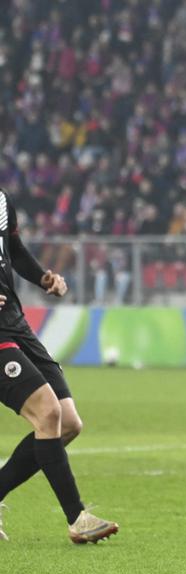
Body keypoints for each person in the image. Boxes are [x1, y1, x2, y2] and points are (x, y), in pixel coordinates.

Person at [0, 189, 118, 543]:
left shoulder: (2, 200)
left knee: (67, 423)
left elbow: (14, 251)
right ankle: (77, 518)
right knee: (47, 413)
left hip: (14, 321)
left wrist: (43, 278)